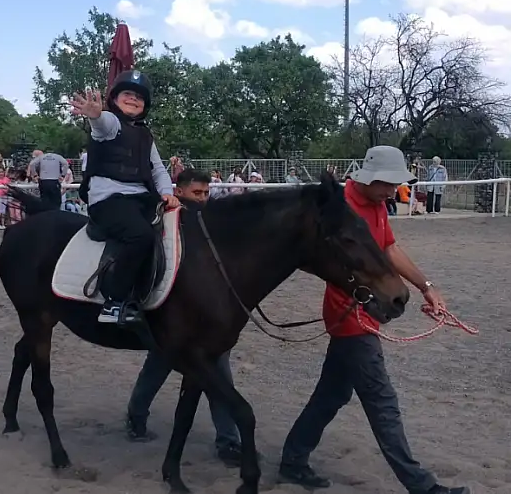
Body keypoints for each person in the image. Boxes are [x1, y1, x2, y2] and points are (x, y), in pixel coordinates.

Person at [279, 146, 469, 494]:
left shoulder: (378, 204)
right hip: (350, 316)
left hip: (367, 313)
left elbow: (389, 249)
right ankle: (423, 487)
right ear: (368, 177)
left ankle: (292, 459)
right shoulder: (342, 208)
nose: (390, 191)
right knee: (382, 401)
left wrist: (426, 286)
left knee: (331, 395)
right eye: (385, 183)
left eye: (394, 184)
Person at [125, 168, 244, 464]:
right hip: (171, 313)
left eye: (206, 193)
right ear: (178, 192)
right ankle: (136, 416)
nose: (203, 199)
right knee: (159, 366)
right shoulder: (162, 221)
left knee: (216, 373)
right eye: (197, 193)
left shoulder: (210, 224)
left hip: (206, 316)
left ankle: (228, 440)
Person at [70, 70, 178, 325]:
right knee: (139, 235)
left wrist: (167, 193)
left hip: (142, 198)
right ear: (115, 99)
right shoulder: (110, 124)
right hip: (109, 201)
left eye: (139, 97)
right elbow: (102, 123)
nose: (133, 99)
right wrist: (95, 115)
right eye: (127, 94)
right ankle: (114, 301)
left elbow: (158, 169)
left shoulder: (145, 135)